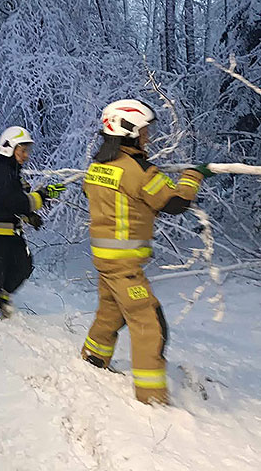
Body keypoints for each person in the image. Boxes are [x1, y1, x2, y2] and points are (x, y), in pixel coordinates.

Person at [81, 99, 215, 404]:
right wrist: (194, 177)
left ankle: (93, 358)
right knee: (150, 324)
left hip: (104, 259)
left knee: (110, 313)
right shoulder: (138, 170)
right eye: (144, 130)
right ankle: (151, 397)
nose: (148, 137)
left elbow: (96, 194)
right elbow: (174, 203)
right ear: (128, 131)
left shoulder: (97, 166)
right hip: (125, 264)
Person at [0, 126, 66, 319]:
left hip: (5, 229)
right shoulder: (1, 171)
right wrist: (42, 195)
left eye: (26, 151)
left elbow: (10, 203)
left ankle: (1, 297)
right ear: (9, 148)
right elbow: (16, 201)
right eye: (22, 150)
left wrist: (28, 216)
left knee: (22, 264)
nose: (26, 156)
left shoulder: (11, 173)